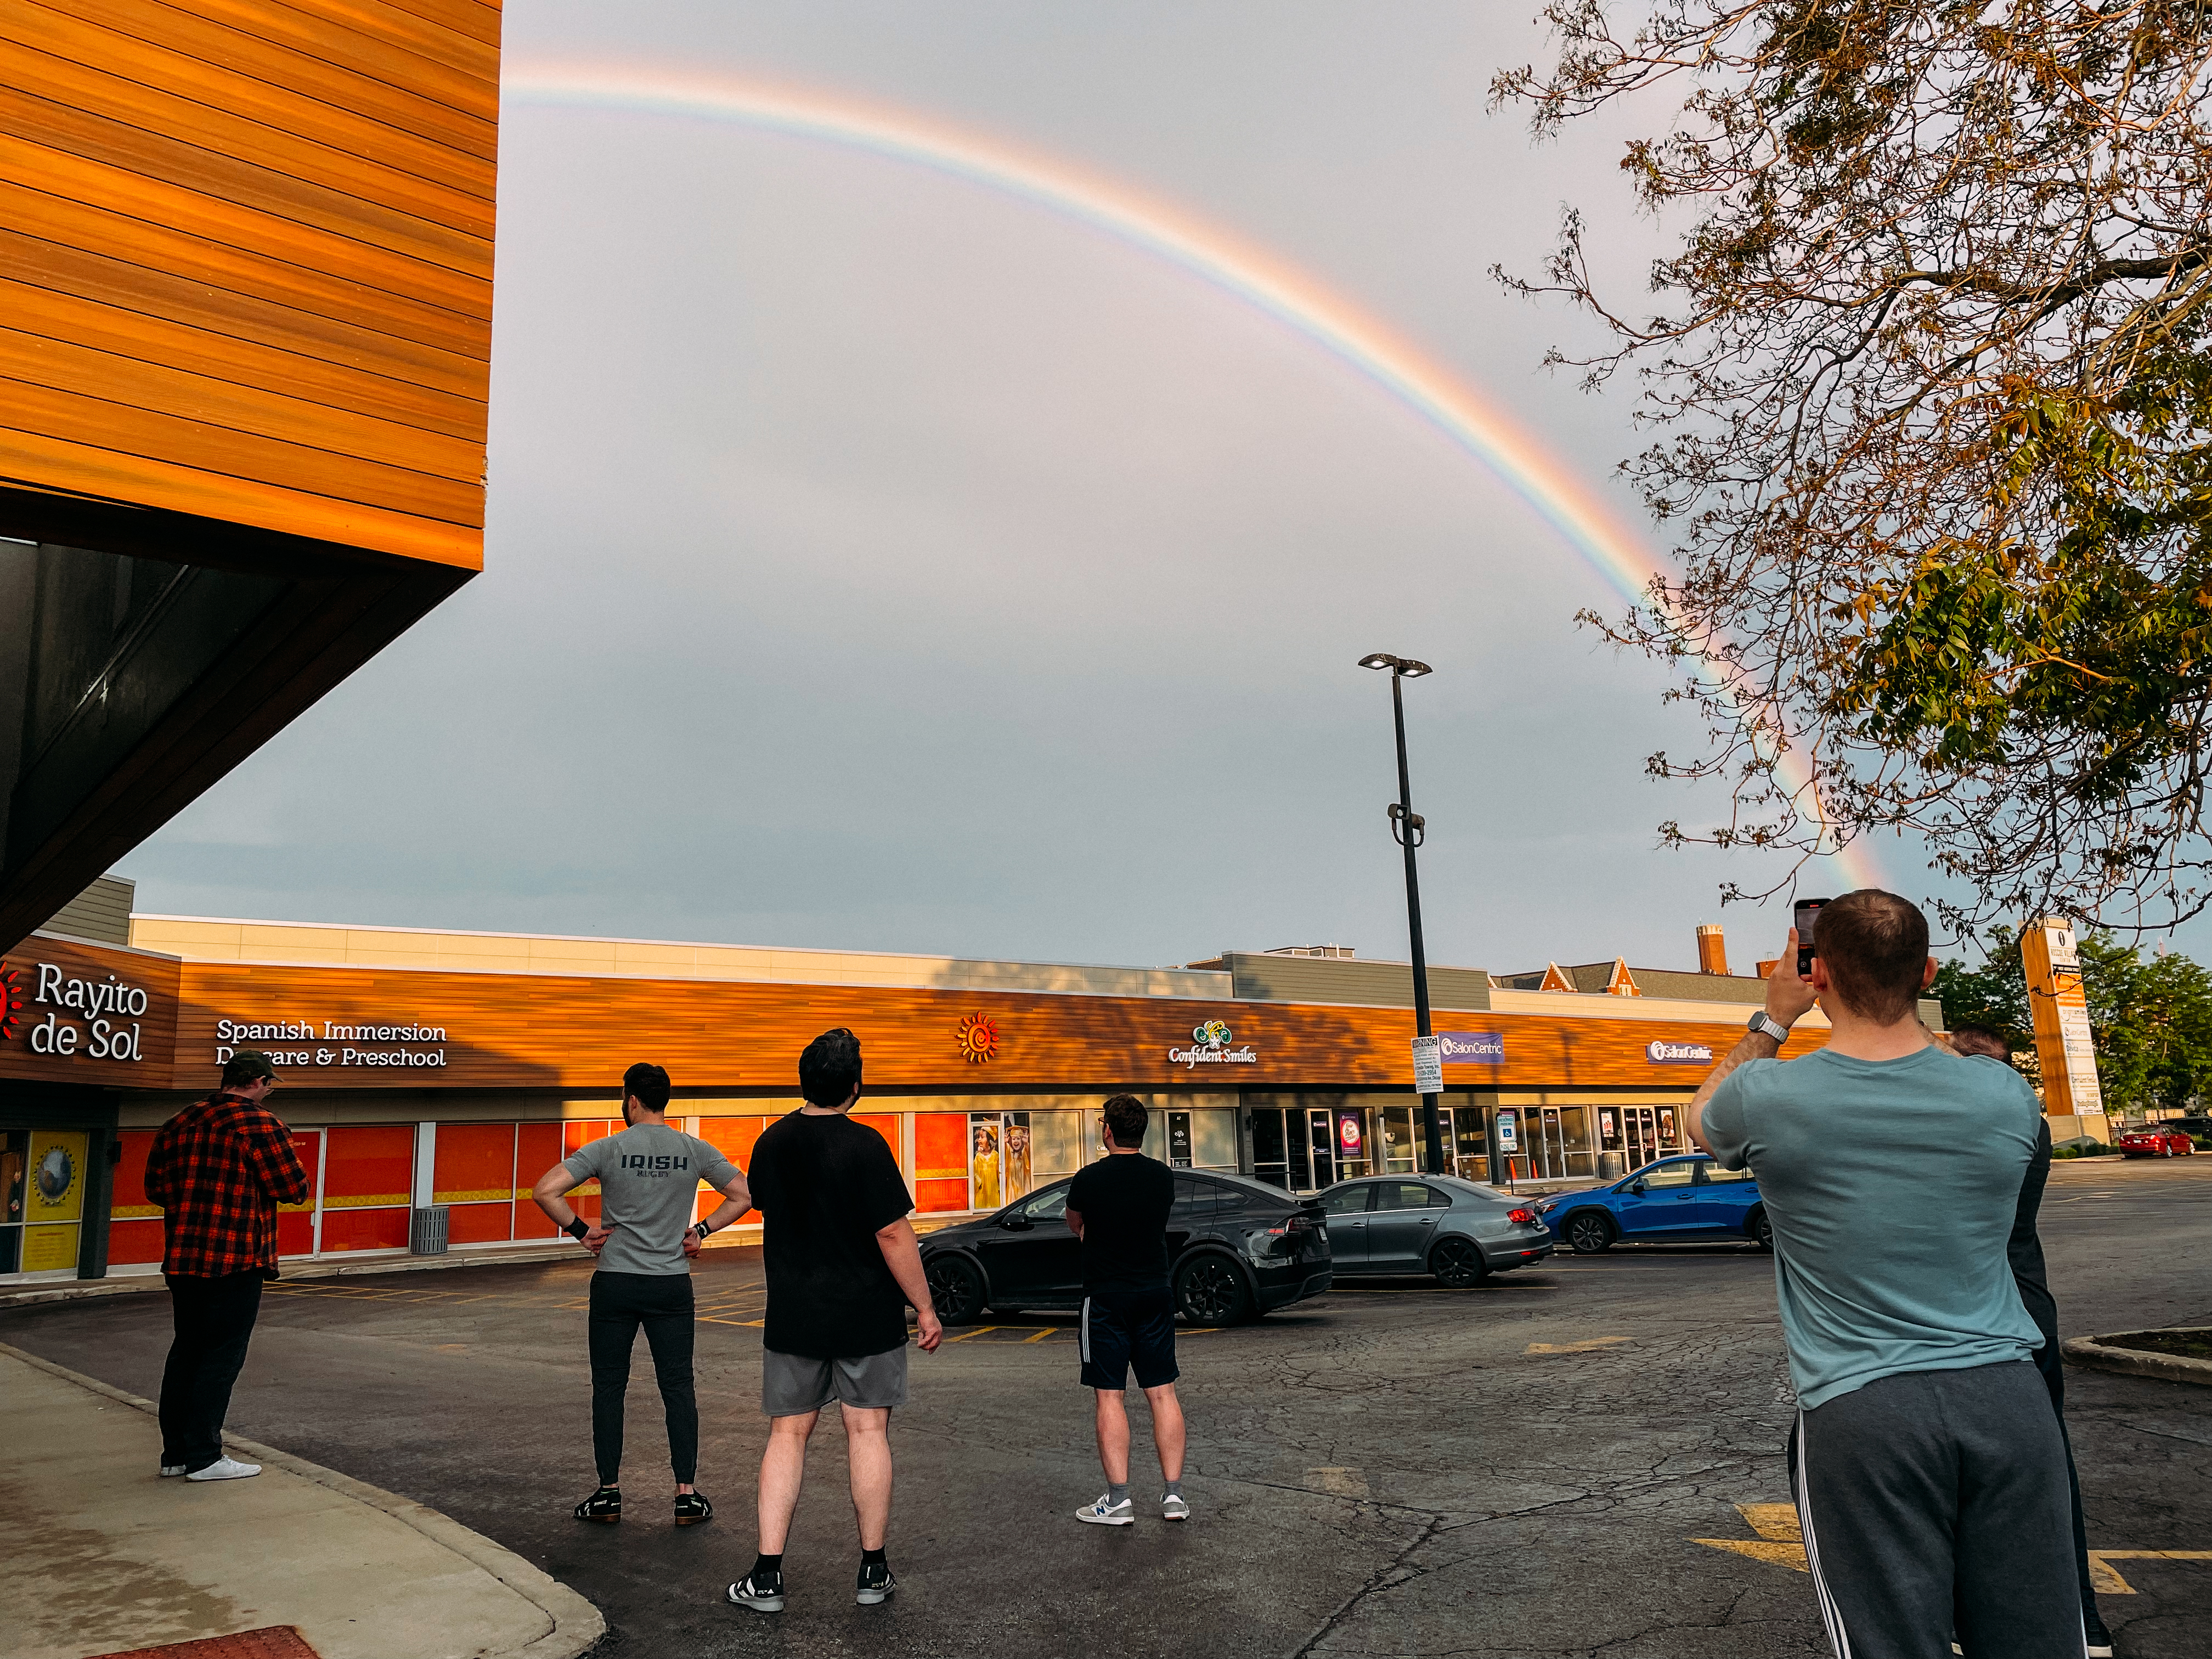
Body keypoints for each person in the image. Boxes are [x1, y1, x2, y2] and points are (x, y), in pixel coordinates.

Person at [1686, 892, 2081, 1657]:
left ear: (1817, 973)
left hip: (1863, 1414)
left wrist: (1773, 1020)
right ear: (1927, 973)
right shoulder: (2002, 1094)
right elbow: (1926, 1055)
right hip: (2009, 1397)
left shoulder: (1767, 1098)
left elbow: (1698, 1119)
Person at [726, 1029, 942, 1616]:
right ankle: (873, 1571)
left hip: (794, 1318)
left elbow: (767, 1204)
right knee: (868, 1434)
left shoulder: (771, 1143)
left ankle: (766, 1577)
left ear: (804, 1080)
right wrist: (924, 1307)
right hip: (865, 1317)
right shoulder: (867, 1145)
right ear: (855, 1085)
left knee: (786, 1437)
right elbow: (892, 1232)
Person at [1945, 1023, 2112, 1657]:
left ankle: (1971, 1619)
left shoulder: (1963, 1117)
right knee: (2047, 1471)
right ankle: (2082, 1622)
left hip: (1976, 1317)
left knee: (1963, 1473)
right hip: (2030, 1309)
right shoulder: (2025, 1118)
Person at [532, 1062, 753, 1528]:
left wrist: (579, 1230)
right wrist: (701, 1231)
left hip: (615, 1281)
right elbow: (743, 1195)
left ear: (631, 1099)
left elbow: (546, 1189)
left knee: (610, 1388)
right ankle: (686, 1497)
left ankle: (608, 1495)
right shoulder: (693, 1149)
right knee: (678, 1388)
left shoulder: (609, 1148)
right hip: (670, 1283)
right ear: (663, 1100)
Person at [143, 1049, 310, 1482]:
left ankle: (175, 1455)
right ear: (255, 1082)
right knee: (221, 1358)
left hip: (183, 1257)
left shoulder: (178, 1122)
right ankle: (205, 1457)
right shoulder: (260, 1123)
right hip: (236, 1257)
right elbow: (293, 1188)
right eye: (269, 1084)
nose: (270, 1091)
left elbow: (156, 1189)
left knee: (186, 1353)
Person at [1064, 1093, 1188, 1526]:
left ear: (1108, 1131)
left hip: (1105, 1297)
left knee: (1109, 1396)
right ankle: (1174, 1496)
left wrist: (1092, 1235)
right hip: (1154, 1291)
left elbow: (1074, 1221)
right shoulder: (1162, 1177)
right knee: (1163, 1392)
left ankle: (1118, 1501)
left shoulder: (1088, 1179)